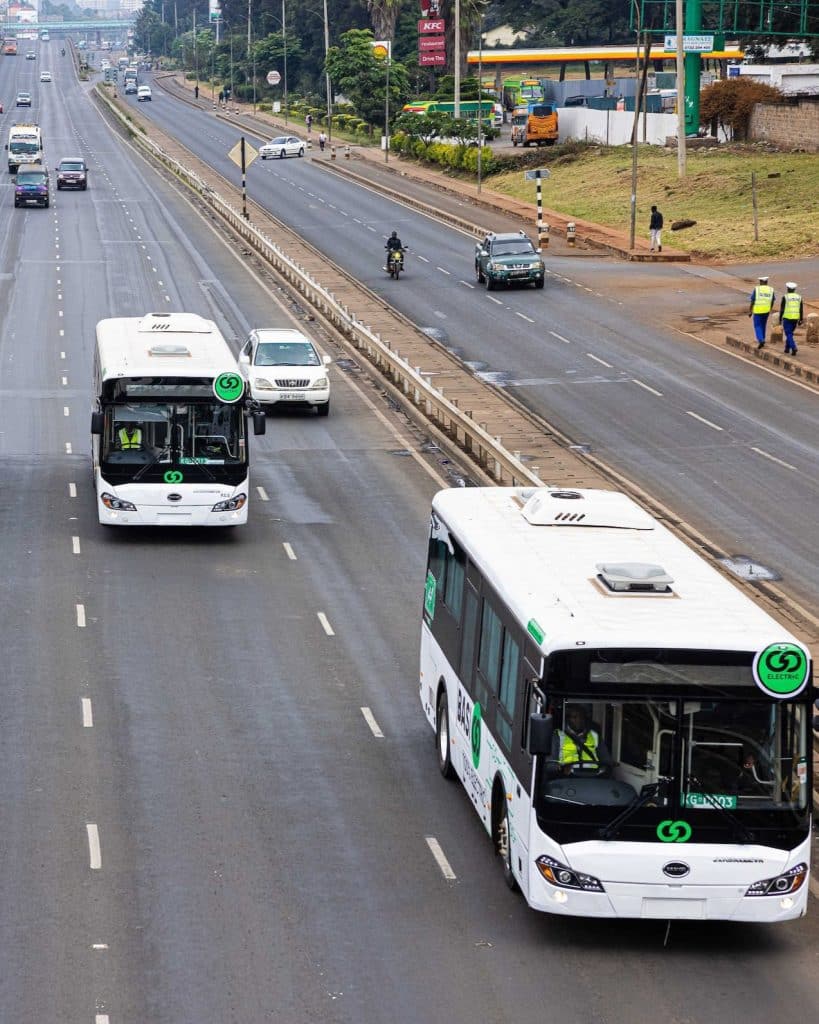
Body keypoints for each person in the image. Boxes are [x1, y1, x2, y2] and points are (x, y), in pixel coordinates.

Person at [551, 704, 611, 775]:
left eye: (581, 717)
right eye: (574, 717)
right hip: (567, 777)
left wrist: (603, 769)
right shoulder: (558, 736)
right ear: (568, 719)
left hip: (593, 776)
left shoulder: (594, 735)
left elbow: (606, 759)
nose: (579, 720)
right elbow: (551, 763)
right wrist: (561, 768)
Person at [748, 275, 775, 348]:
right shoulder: (771, 289)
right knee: (763, 325)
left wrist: (750, 311)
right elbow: (772, 301)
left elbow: (752, 301)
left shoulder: (757, 289)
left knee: (757, 326)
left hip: (757, 310)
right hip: (766, 310)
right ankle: (763, 338)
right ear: (766, 282)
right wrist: (770, 309)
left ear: (760, 282)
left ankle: (761, 339)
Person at [778, 281, 803, 356]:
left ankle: (793, 347)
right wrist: (801, 319)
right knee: (790, 334)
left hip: (787, 318)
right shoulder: (799, 297)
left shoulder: (785, 297)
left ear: (787, 289)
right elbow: (801, 309)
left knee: (788, 334)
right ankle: (786, 348)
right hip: (795, 318)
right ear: (794, 289)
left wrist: (780, 318)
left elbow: (782, 309)